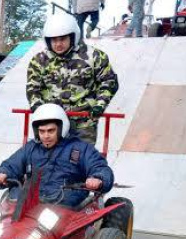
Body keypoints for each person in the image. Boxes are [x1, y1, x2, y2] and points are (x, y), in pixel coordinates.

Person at [0, 104, 113, 208]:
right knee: (6, 205)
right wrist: (2, 173)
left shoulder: (81, 148)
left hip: (64, 203)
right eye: (42, 131)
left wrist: (98, 178)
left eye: (51, 131)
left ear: (61, 129)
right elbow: (12, 164)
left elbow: (100, 167)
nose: (46, 136)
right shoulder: (31, 147)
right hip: (30, 202)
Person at [28, 13, 119, 145]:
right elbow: (33, 88)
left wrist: (99, 105)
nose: (58, 44)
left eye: (62, 39)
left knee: (81, 159)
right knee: (51, 161)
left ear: (73, 36)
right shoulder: (39, 60)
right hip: (53, 123)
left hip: (84, 122)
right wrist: (40, 112)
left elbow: (108, 82)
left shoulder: (94, 56)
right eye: (54, 40)